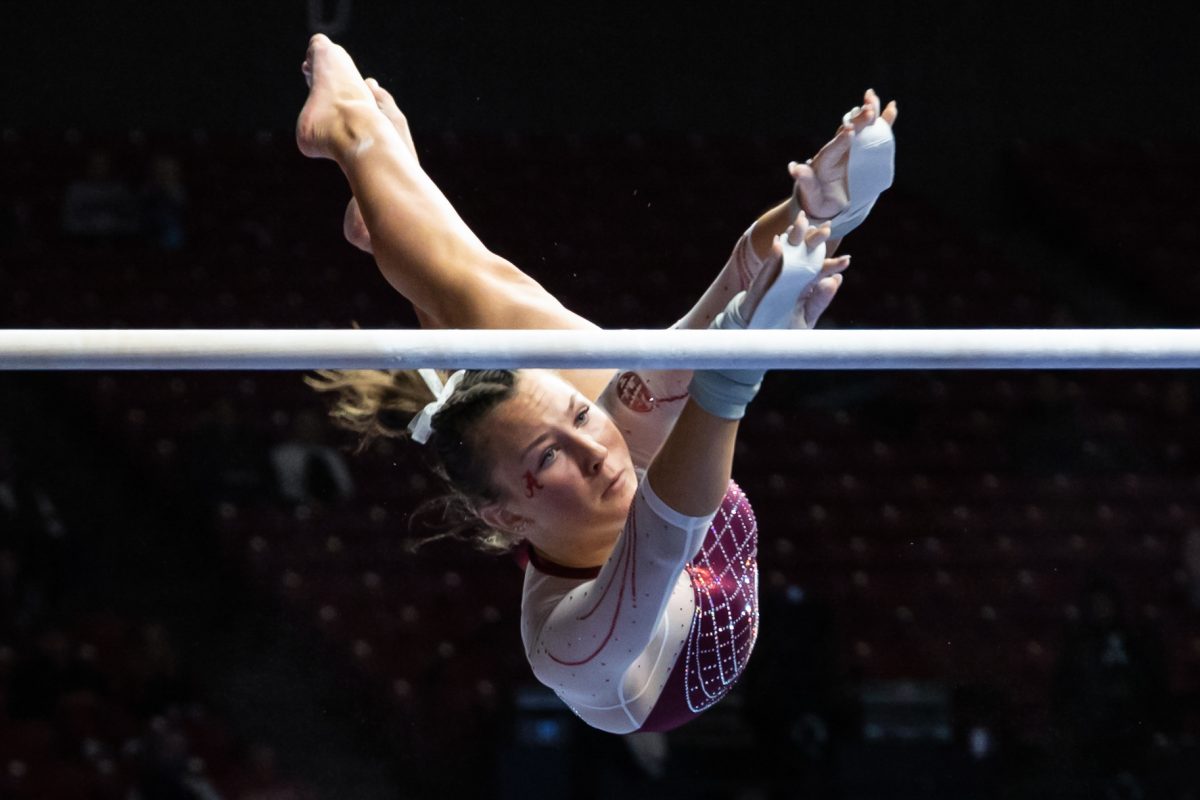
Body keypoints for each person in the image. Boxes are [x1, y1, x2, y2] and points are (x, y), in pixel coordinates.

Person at [296, 34, 896, 733]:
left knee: (498, 300)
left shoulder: (611, 432)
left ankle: (361, 149)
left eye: (577, 419)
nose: (593, 450)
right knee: (487, 310)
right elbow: (667, 533)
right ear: (507, 517)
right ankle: (397, 205)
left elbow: (720, 311)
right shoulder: (568, 645)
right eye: (549, 457)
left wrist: (815, 211)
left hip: (635, 469)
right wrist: (744, 351)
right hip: (654, 664)